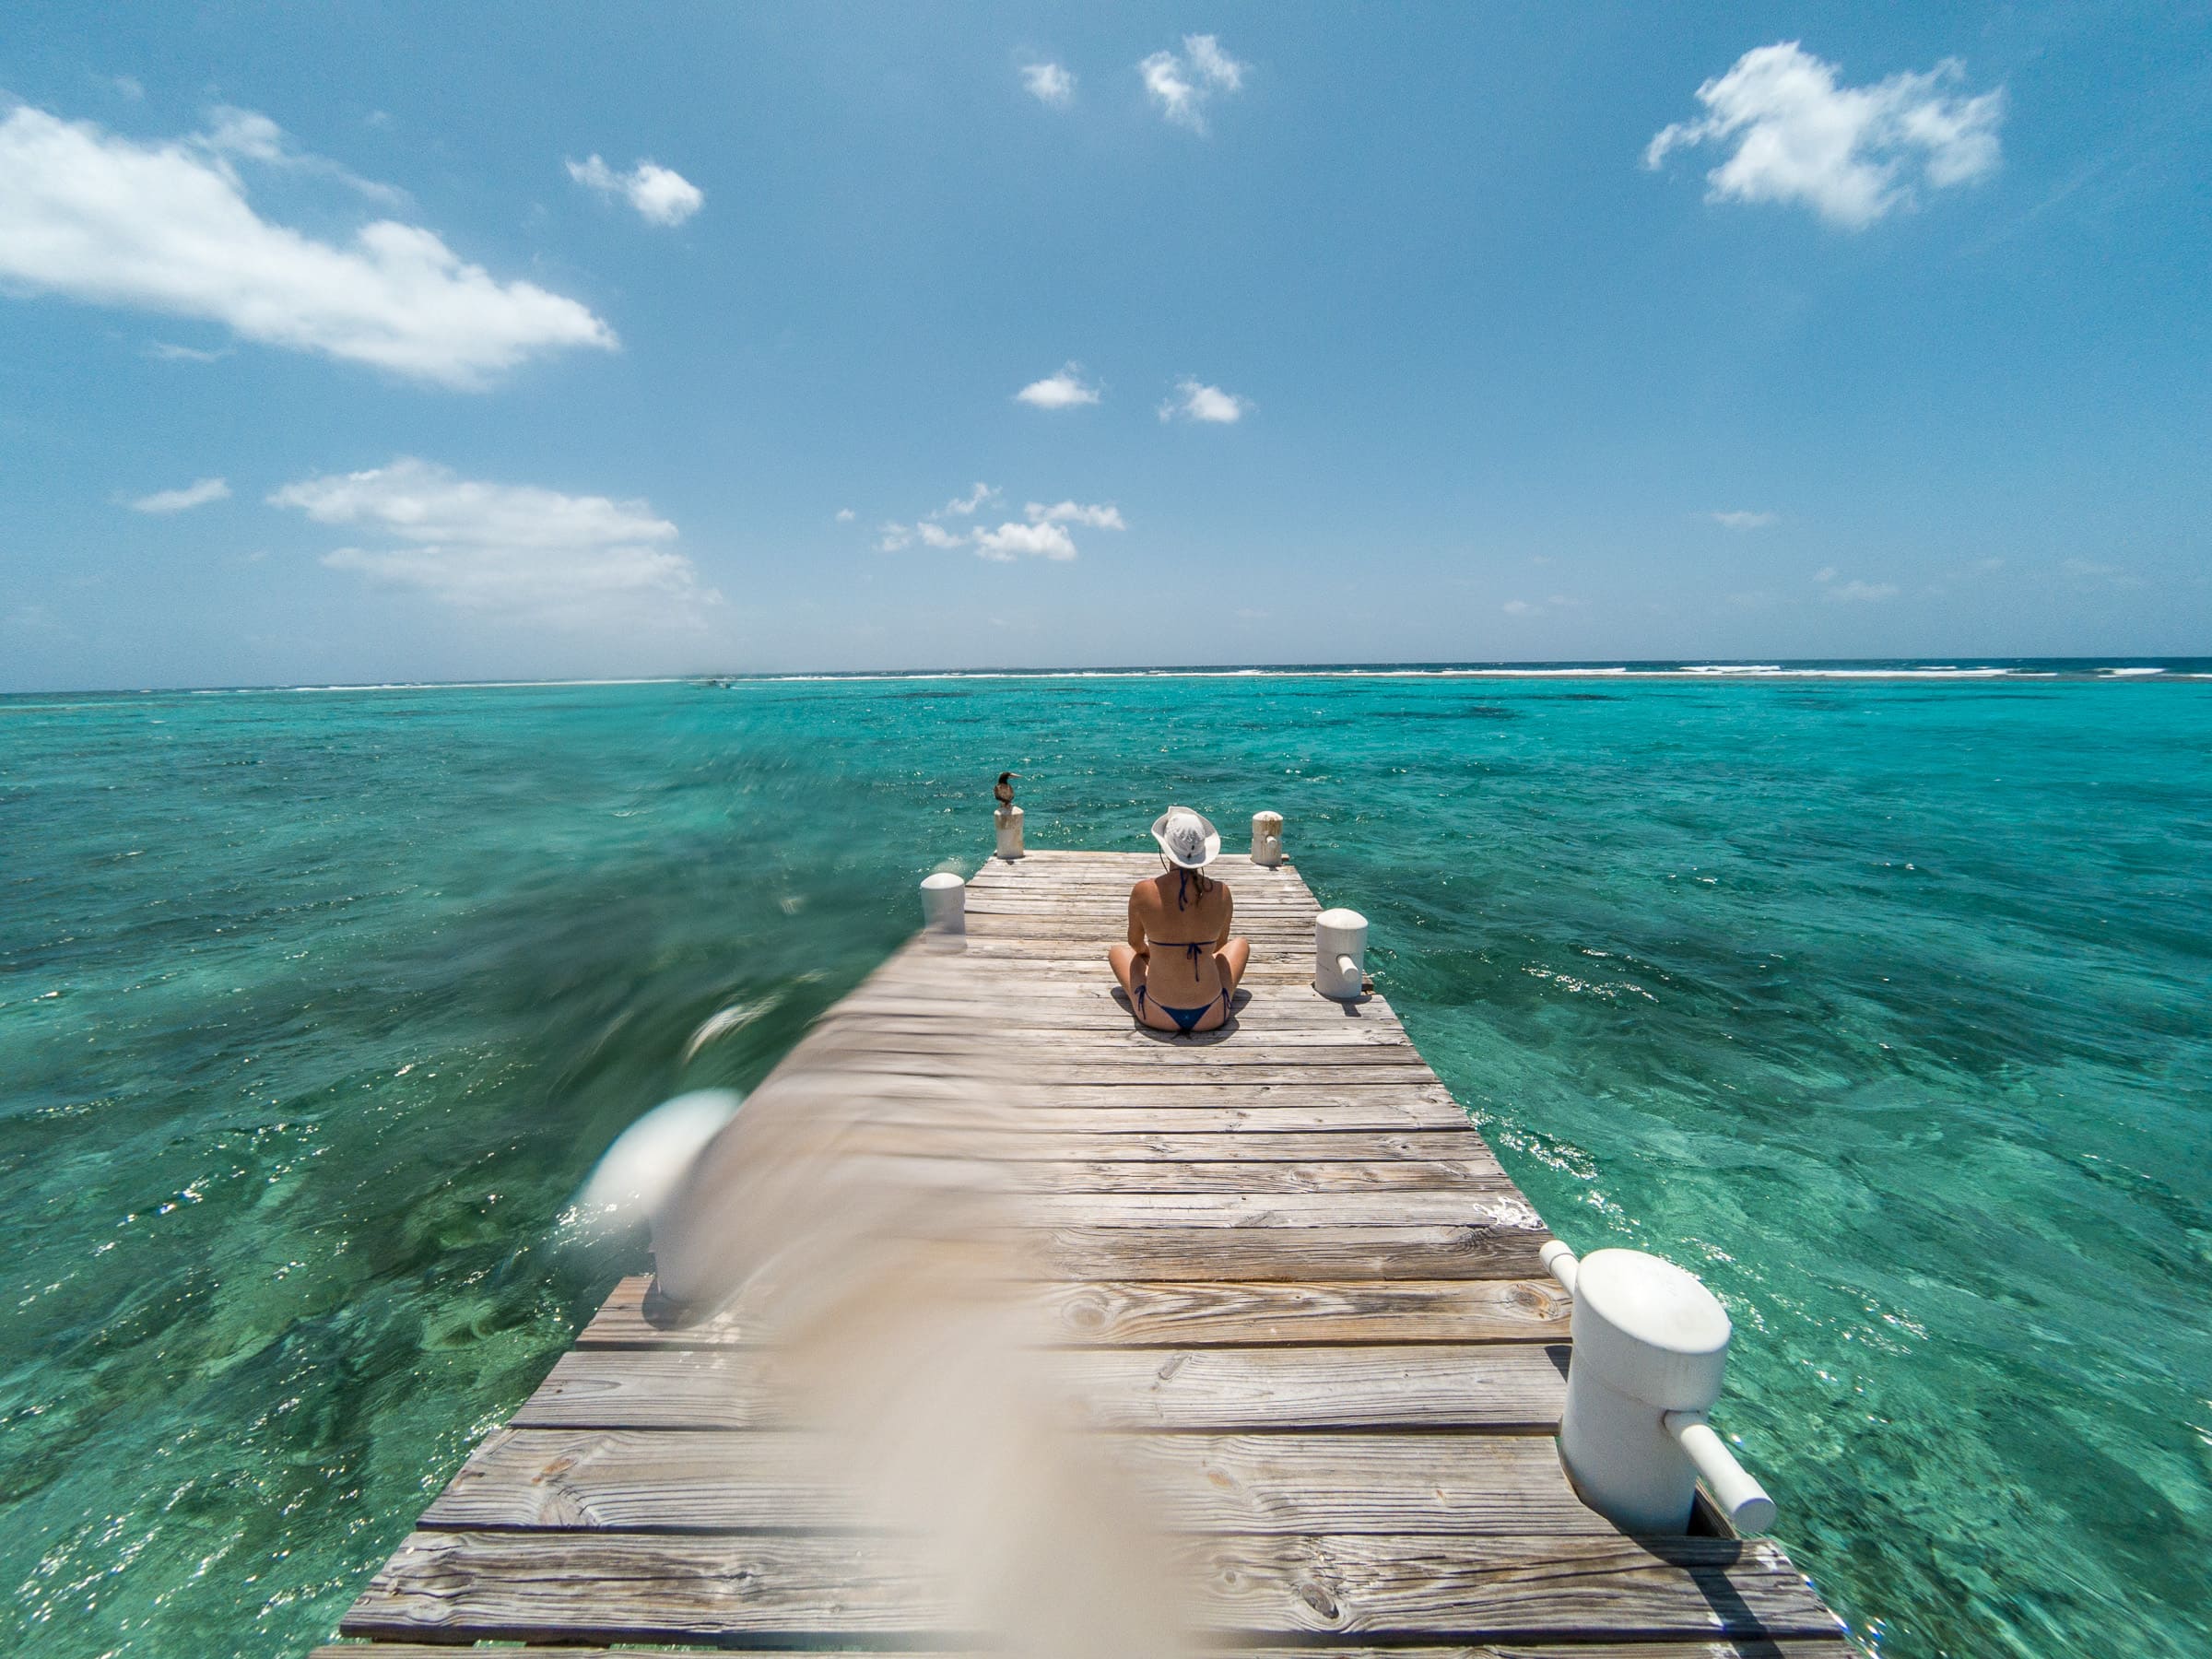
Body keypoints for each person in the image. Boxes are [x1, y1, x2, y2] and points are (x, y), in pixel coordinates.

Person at [1109, 806, 1251, 1034]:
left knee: (1118, 952)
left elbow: (1135, 944)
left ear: (1166, 848)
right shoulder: (1222, 892)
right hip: (1213, 1013)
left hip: (1156, 1013)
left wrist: (1159, 955)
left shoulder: (1143, 891)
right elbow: (1220, 945)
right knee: (1240, 945)